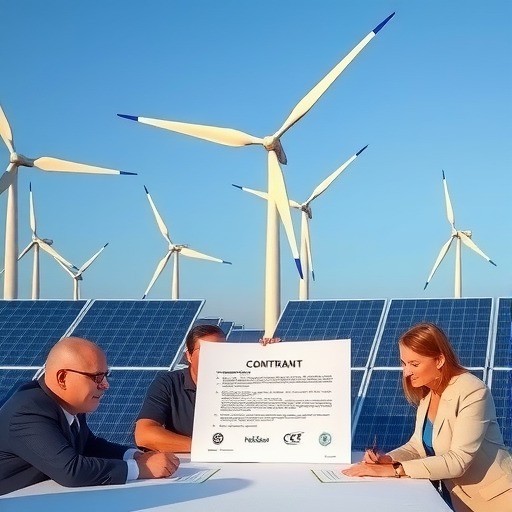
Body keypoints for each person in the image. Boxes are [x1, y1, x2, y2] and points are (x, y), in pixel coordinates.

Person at [342, 322, 512, 512]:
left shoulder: (472, 391)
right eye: (403, 363)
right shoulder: (428, 394)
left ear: (439, 360)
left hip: (497, 500)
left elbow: (458, 460)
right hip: (459, 500)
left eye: (414, 364)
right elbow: (417, 445)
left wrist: (395, 470)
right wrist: (388, 459)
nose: (406, 372)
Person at [0, 337, 180, 496]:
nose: (105, 385)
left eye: (105, 376)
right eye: (97, 377)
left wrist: (135, 456)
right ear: (62, 378)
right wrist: (142, 468)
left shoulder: (64, 404)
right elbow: (71, 471)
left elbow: (88, 445)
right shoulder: (27, 413)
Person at [135, 325, 280, 453]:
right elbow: (144, 435)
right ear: (189, 356)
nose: (215, 357)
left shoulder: (243, 381)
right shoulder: (169, 384)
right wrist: (209, 447)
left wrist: (274, 357)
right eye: (206, 351)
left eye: (221, 351)